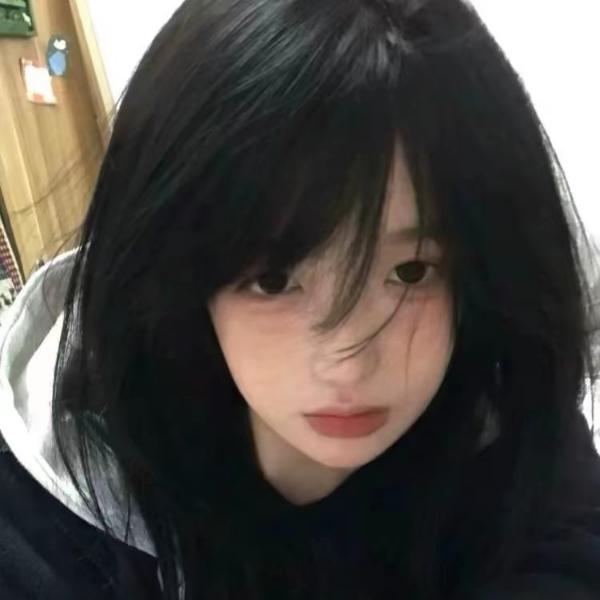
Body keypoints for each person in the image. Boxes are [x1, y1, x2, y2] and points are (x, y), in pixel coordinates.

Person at [0, 0, 599, 598]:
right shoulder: (46, 525)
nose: (349, 362)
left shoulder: (511, 415)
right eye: (273, 280)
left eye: (411, 271)